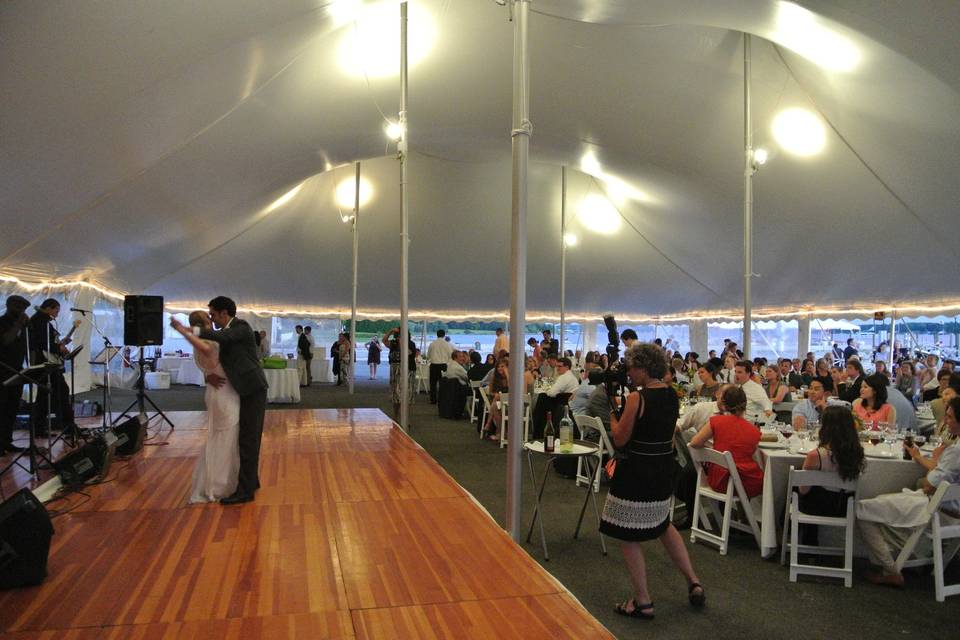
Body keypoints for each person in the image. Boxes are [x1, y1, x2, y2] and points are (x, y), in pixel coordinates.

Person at [600, 343, 704, 619]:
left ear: (643, 368)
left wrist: (613, 416)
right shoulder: (672, 395)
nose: (630, 373)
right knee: (662, 525)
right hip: (663, 469)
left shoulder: (637, 398)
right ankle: (693, 580)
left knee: (627, 534)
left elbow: (620, 438)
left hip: (637, 471)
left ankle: (642, 600)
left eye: (633, 368)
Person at [172, 296, 267, 505]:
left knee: (248, 440)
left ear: (225, 313)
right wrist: (208, 376)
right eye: (209, 317)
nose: (212, 319)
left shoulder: (240, 327)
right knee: (242, 440)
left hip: (251, 390)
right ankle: (248, 483)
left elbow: (223, 339)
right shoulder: (222, 334)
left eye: (214, 314)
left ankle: (245, 490)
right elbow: (213, 357)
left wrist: (188, 330)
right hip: (235, 391)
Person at [858, 396, 960, 587]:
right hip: (952, 510)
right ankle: (912, 555)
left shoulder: (955, 451)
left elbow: (930, 484)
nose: (946, 421)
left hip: (939, 511)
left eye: (950, 417)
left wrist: (935, 459)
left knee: (863, 509)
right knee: (884, 502)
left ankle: (890, 570)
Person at [173, 311, 241, 503]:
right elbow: (208, 353)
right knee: (224, 437)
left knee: (225, 436)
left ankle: (224, 480)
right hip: (222, 393)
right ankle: (216, 484)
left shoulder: (205, 342)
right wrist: (182, 331)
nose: (211, 321)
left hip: (218, 390)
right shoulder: (208, 344)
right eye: (207, 319)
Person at [796, 405, 864, 544]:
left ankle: (799, 541)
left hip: (816, 507)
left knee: (795, 490)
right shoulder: (858, 454)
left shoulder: (816, 455)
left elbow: (803, 490)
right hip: (845, 507)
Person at [690, 385, 764, 498]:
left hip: (718, 479)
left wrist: (713, 453)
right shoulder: (754, 431)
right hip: (745, 482)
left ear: (724, 404)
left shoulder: (716, 421)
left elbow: (694, 443)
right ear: (745, 405)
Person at [28, 299, 77, 436]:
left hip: (46, 363)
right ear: (49, 308)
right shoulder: (40, 322)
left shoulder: (42, 321)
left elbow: (47, 342)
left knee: (47, 396)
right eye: (56, 310)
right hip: (45, 364)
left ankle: (44, 428)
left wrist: (60, 344)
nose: (57, 314)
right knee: (54, 394)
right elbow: (43, 343)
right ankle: (67, 427)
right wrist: (59, 348)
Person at [0, 295, 30, 453]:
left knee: (12, 408)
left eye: (24, 309)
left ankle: (7, 441)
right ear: (9, 306)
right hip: (2, 372)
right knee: (2, 408)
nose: (21, 311)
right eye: (18, 308)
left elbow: (24, 346)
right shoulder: (2, 322)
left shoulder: (20, 325)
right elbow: (5, 341)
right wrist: (19, 324)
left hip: (17, 371)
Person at [531, 357, 579, 438]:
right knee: (542, 397)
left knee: (542, 397)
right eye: (557, 366)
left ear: (567, 367)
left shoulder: (564, 377)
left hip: (562, 406)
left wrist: (547, 389)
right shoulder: (571, 376)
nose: (557, 368)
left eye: (560, 366)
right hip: (565, 404)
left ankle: (539, 433)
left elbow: (551, 393)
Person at [383, 327, 416, 418]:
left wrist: (402, 341)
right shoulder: (393, 343)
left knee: (407, 393)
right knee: (396, 394)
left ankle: (405, 416)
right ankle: (395, 415)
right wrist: (390, 331)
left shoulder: (411, 344)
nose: (397, 337)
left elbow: (407, 353)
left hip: (407, 371)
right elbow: (384, 340)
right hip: (395, 370)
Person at [483, 357, 509, 440]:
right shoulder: (494, 377)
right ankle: (501, 433)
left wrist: (507, 373)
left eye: (502, 366)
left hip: (509, 402)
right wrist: (497, 395)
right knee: (495, 404)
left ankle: (489, 425)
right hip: (496, 401)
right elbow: (490, 392)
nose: (500, 368)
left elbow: (512, 389)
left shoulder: (511, 378)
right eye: (498, 367)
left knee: (495, 405)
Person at [427, 330, 453, 403]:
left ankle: (433, 400)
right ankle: (443, 399)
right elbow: (450, 355)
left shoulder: (432, 344)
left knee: (433, 383)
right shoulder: (447, 344)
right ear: (444, 335)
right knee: (443, 383)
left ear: (436, 335)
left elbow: (428, 355)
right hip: (443, 365)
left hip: (434, 365)